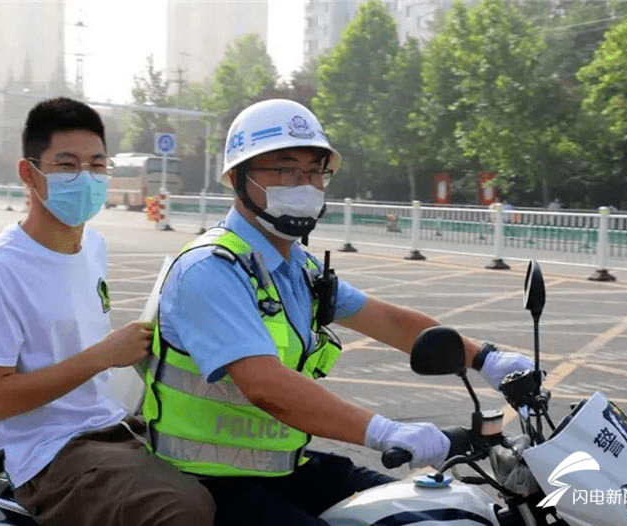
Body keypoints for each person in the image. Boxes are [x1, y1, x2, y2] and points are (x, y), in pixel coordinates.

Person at [143, 99, 534, 525]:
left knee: (427, 506)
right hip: (212, 481)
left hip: (285, 467)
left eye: (315, 171)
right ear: (239, 177)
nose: (305, 183)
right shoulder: (211, 269)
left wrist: (489, 360)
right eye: (287, 169)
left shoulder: (299, 268)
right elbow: (265, 386)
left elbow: (388, 321)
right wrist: (385, 431)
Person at [0, 97, 214, 526]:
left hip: (111, 425)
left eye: (97, 165)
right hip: (49, 455)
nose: (86, 177)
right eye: (66, 165)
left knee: (236, 476)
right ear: (29, 173)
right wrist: (103, 355)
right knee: (184, 510)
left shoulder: (94, 247)